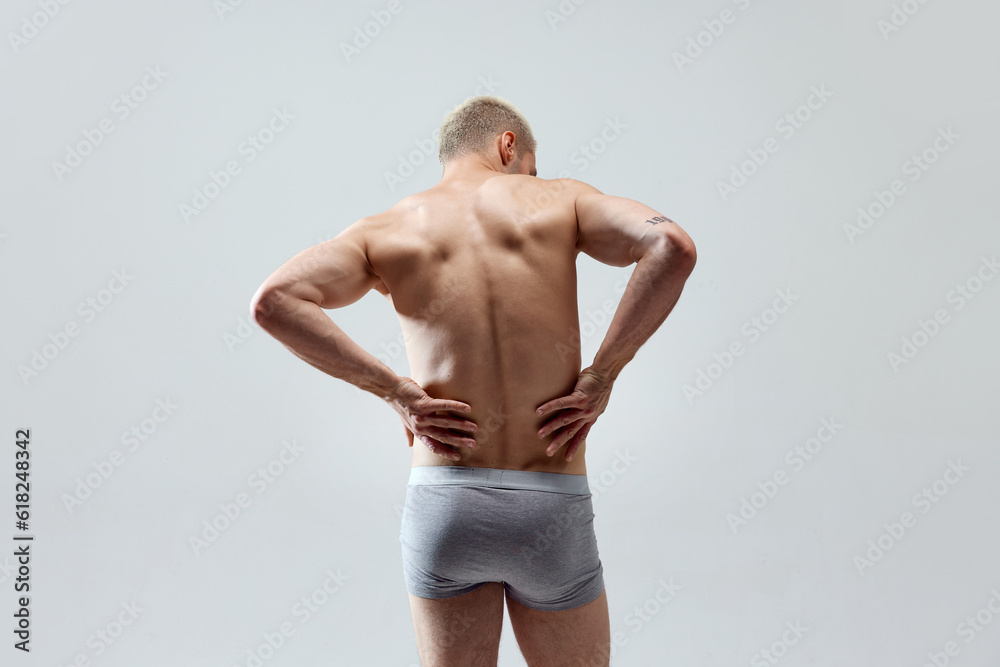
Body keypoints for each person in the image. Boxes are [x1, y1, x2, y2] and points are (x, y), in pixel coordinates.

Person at [249, 95, 697, 666]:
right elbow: (672, 244)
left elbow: (274, 301)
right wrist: (603, 374)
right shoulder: (563, 199)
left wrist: (394, 391)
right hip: (550, 505)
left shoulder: (384, 228)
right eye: (530, 168)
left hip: (445, 507)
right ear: (509, 145)